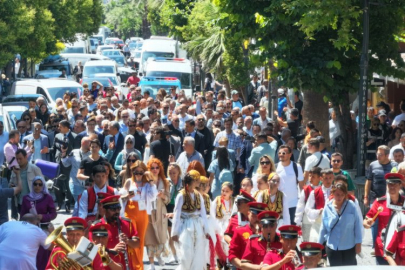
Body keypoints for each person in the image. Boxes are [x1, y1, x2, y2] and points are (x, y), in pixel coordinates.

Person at [121, 161, 157, 269]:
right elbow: (121, 197)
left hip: (143, 212)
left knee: (140, 240)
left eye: (141, 172)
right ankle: (131, 264)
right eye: (136, 172)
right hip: (130, 210)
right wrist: (128, 196)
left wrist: (150, 180)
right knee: (132, 238)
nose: (138, 175)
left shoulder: (147, 184)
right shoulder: (129, 182)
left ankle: (138, 265)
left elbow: (153, 196)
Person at [364, 173, 405, 265]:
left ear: (400, 186)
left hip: (401, 249)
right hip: (382, 248)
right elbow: (366, 221)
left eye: (395, 184)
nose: (392, 187)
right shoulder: (379, 202)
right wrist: (367, 223)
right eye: (390, 184)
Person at [171, 170, 209, 270]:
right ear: (193, 181)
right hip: (185, 225)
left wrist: (206, 230)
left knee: (198, 252)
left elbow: (203, 214)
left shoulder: (198, 195)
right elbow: (177, 213)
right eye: (197, 180)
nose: (199, 182)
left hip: (197, 225)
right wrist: (174, 232)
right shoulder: (181, 195)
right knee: (186, 253)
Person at [318, 183, 362, 266]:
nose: (340, 197)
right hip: (333, 247)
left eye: (342, 195)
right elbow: (323, 228)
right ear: (333, 193)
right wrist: (319, 246)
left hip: (349, 246)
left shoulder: (351, 206)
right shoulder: (327, 207)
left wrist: (358, 243)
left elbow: (357, 225)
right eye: (337, 194)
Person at [20, 176, 56, 270]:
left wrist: (43, 217)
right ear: (32, 185)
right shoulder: (26, 198)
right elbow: (22, 215)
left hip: (43, 229)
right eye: (35, 184)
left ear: (43, 185)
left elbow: (53, 214)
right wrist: (29, 219)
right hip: (30, 229)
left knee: (43, 252)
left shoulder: (47, 197)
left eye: (40, 184)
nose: (37, 186)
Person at [94, 195, 140, 269]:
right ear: (105, 210)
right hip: (106, 267)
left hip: (124, 266)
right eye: (113, 209)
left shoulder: (127, 223)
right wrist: (113, 251)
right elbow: (93, 250)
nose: (117, 212)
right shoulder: (97, 226)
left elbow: (137, 243)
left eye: (118, 209)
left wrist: (127, 241)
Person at [365, 145, 397, 248]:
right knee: (374, 223)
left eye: (380, 154)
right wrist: (366, 196)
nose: (378, 156)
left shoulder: (394, 165)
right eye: (377, 154)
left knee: (388, 222)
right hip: (375, 199)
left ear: (387, 155)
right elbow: (368, 181)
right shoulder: (373, 165)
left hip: (389, 199)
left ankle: (388, 245)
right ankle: (376, 245)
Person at [145, 158, 170, 268]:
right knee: (150, 237)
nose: (155, 170)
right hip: (149, 212)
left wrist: (162, 196)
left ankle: (158, 255)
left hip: (160, 212)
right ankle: (151, 264)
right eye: (152, 168)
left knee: (161, 237)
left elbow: (168, 199)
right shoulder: (146, 181)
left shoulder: (165, 181)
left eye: (157, 167)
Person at [228, 202, 267, 269]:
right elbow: (232, 254)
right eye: (254, 215)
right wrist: (241, 265)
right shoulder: (239, 231)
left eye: (260, 216)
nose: (257, 219)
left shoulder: (268, 233)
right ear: (248, 214)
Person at [277, 145, 304, 225]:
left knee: (292, 228)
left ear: (290, 154)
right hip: (279, 204)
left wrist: (303, 201)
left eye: (283, 153)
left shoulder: (297, 167)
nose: (281, 154)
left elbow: (301, 185)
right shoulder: (275, 167)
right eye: (279, 153)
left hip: (293, 203)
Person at [305, 169, 334, 242]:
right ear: (321, 179)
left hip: (333, 226)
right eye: (326, 178)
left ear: (333, 178)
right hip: (318, 225)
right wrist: (318, 212)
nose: (328, 181)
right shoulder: (314, 193)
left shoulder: (336, 191)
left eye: (330, 178)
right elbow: (307, 210)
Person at [294, 167, 322, 242]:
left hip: (319, 219)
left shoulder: (322, 189)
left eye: (313, 177)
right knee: (307, 240)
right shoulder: (306, 189)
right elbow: (300, 205)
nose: (310, 178)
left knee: (317, 240)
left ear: (320, 178)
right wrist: (298, 221)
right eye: (310, 176)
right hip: (307, 219)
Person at [211, 182, 234, 258]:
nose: (224, 193)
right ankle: (220, 262)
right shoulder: (217, 200)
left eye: (227, 191)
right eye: (222, 190)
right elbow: (212, 213)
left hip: (230, 224)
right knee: (220, 243)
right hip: (220, 223)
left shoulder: (233, 201)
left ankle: (228, 261)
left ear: (231, 192)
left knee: (228, 244)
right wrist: (214, 226)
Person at [166, 163, 183, 263]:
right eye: (170, 173)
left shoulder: (183, 182)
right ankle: (174, 255)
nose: (172, 175)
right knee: (171, 234)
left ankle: (182, 253)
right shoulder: (166, 182)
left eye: (174, 173)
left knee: (180, 233)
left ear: (179, 173)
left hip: (180, 208)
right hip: (169, 207)